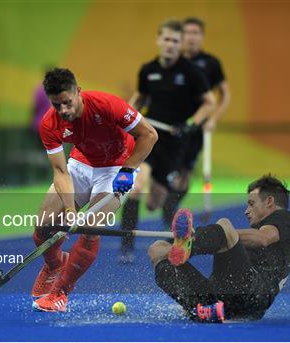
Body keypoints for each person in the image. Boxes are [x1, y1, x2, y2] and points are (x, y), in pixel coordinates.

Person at [31, 68, 157, 312]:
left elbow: (149, 135)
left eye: (67, 103)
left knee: (91, 228)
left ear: (78, 92)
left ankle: (59, 294)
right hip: (79, 164)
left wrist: (128, 170)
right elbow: (60, 171)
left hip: (116, 168)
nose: (63, 110)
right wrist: (69, 208)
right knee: (43, 227)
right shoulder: (50, 123)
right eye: (57, 105)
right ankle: (55, 263)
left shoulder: (106, 105)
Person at [120, 19, 215, 262]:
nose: (171, 44)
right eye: (167, 39)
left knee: (154, 204)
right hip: (149, 136)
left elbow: (209, 103)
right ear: (159, 41)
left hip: (174, 144)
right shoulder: (147, 70)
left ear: (180, 43)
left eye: (175, 40)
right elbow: (139, 98)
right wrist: (124, 115)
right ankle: (127, 247)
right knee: (136, 187)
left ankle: (176, 229)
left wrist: (191, 124)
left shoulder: (192, 72)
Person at [148, 175, 290, 322]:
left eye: (251, 203)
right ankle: (202, 309)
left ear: (269, 201)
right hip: (227, 297)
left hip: (252, 295)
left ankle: (189, 246)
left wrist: (211, 234)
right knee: (157, 249)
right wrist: (215, 235)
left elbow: (262, 239)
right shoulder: (261, 229)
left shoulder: (285, 218)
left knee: (224, 224)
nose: (246, 211)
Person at [162, 17, 231, 226]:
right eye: (188, 33)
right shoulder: (174, 60)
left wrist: (214, 119)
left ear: (201, 37)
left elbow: (225, 95)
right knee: (166, 171)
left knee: (185, 174)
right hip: (174, 127)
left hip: (197, 127)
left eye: (196, 33)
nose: (191, 37)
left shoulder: (211, 63)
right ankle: (164, 203)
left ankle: (169, 209)